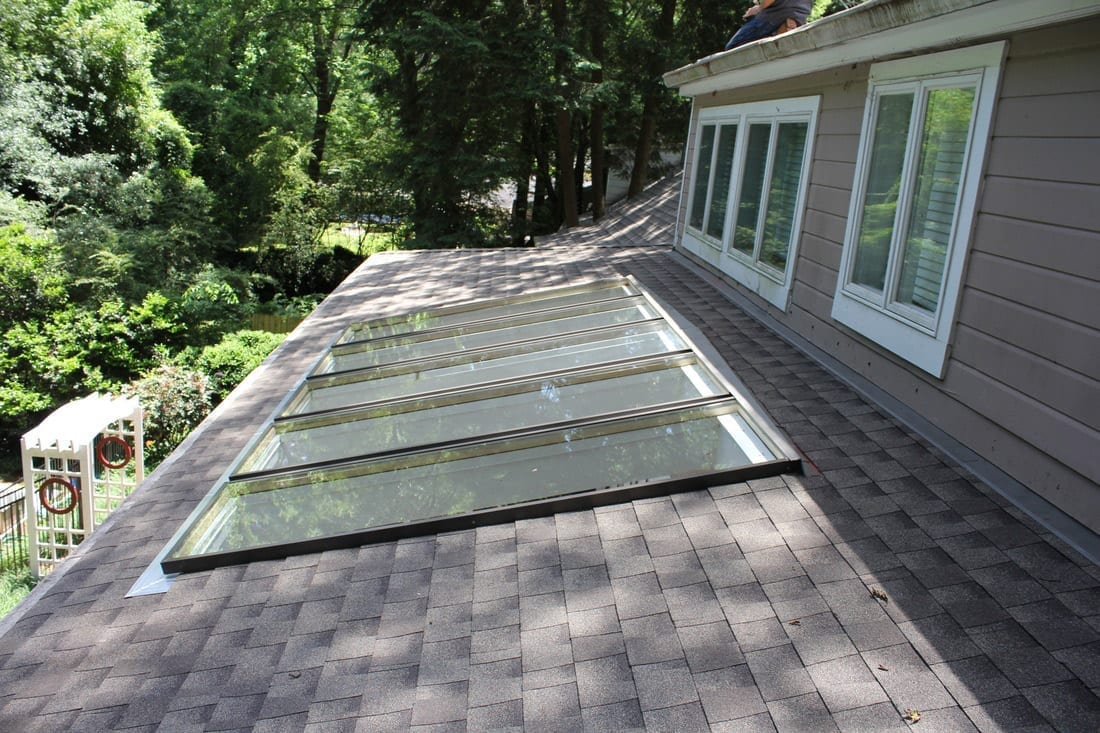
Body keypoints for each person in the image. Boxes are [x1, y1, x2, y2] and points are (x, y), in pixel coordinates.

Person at [724, 0, 811, 51]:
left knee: (733, 48)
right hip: (798, 17)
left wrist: (758, 9)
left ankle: (778, 31)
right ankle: (782, 31)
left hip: (775, 16)